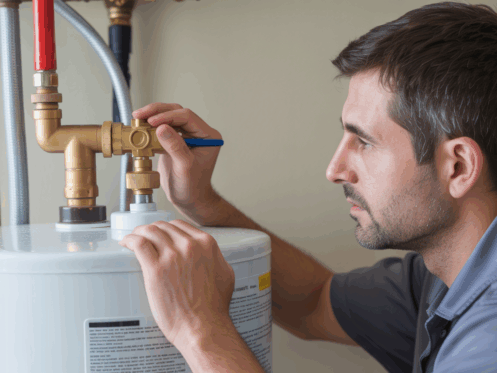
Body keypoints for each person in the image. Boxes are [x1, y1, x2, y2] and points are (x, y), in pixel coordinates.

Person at [117, 2, 497, 372]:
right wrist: (202, 203)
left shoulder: (488, 341)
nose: (335, 170)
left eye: (363, 142)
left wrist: (199, 330)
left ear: (458, 167)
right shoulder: (441, 277)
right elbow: (313, 302)